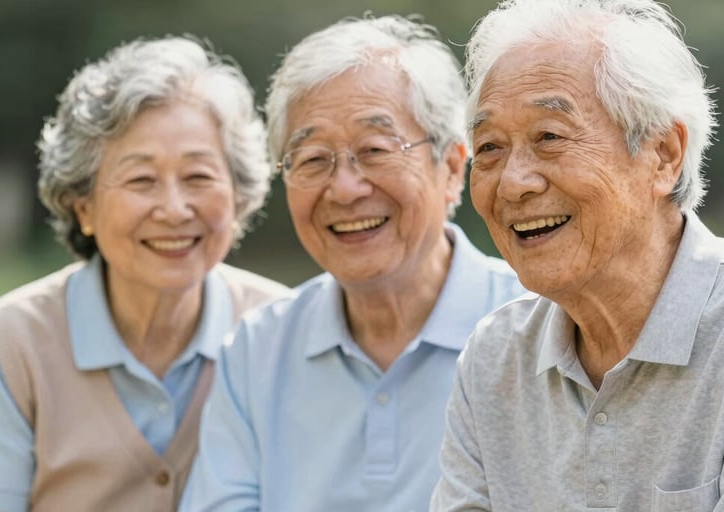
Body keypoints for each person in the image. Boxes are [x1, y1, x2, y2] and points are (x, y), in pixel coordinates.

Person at [180, 15, 525, 512]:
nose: (344, 188)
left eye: (375, 149)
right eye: (313, 159)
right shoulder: (257, 350)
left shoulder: (541, 328)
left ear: (451, 167)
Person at [429, 0, 724, 510]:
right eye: (489, 147)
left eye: (550, 137)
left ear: (663, 155)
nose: (513, 183)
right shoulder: (495, 358)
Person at [0, 36, 290, 512]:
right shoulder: (9, 345)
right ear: (82, 205)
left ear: (239, 197)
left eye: (199, 176)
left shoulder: (283, 330)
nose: (174, 209)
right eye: (141, 180)